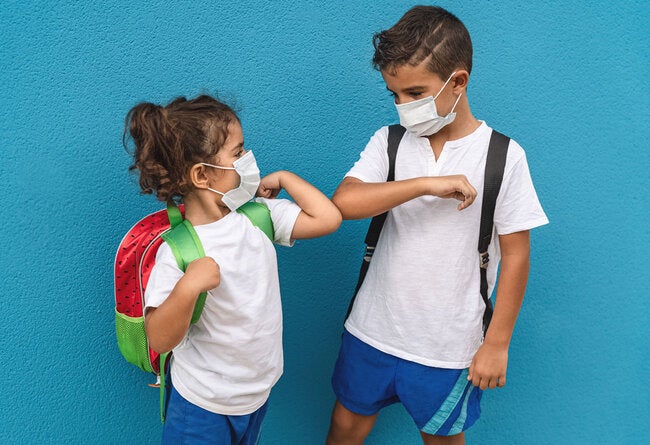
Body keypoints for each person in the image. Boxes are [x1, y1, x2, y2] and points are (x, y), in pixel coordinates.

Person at [326, 6, 548, 445]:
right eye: (394, 95)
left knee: (442, 438)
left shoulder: (503, 157)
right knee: (345, 427)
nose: (403, 106)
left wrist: (497, 343)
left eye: (415, 92)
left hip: (448, 347)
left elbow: (517, 255)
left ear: (458, 82)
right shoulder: (390, 142)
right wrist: (425, 184)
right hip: (371, 329)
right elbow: (344, 203)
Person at [123, 94, 341, 445]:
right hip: (201, 405)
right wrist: (188, 287)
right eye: (238, 153)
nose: (248, 159)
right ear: (202, 175)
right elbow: (160, 339)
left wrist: (286, 178)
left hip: (255, 396)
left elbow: (328, 219)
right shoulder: (178, 250)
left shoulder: (258, 216)